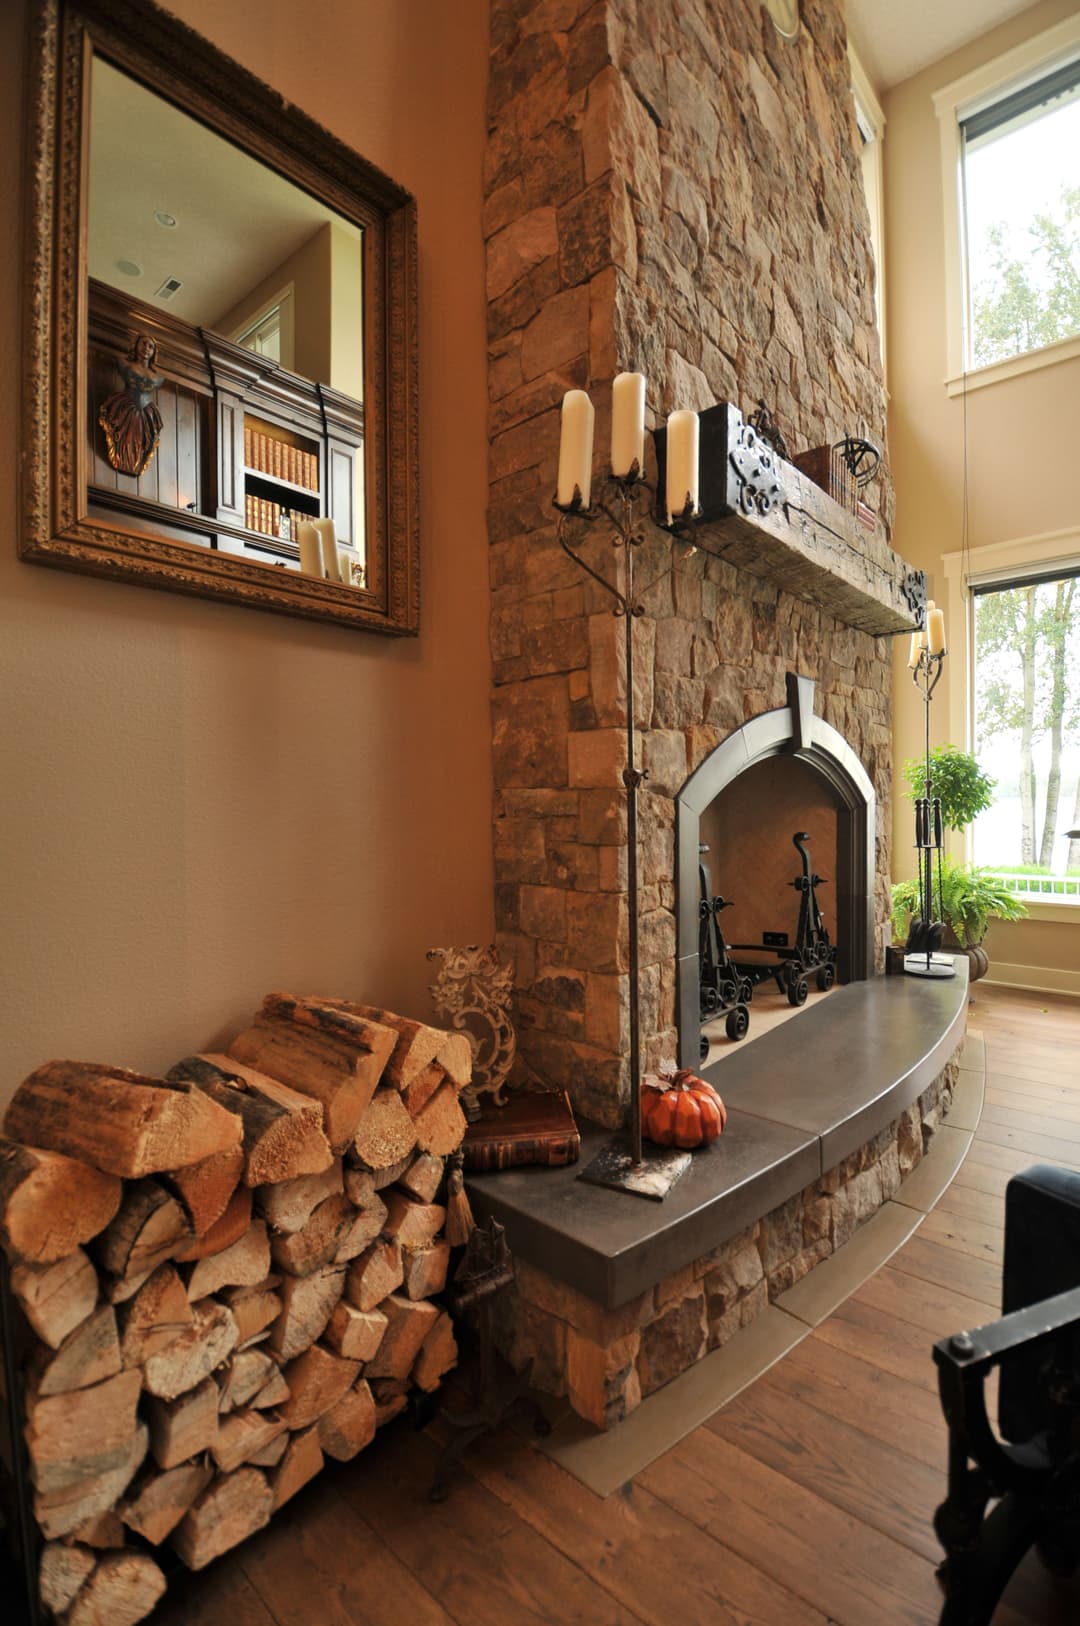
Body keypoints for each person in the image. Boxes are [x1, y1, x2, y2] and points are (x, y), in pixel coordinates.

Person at [98, 333, 165, 477]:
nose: (146, 348)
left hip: (146, 412)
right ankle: (124, 461)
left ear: (154, 352)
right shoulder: (124, 364)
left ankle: (134, 464)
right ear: (136, 345)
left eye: (150, 346)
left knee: (142, 443)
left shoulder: (158, 378)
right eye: (143, 343)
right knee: (123, 439)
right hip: (126, 405)